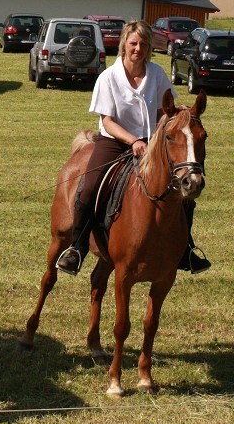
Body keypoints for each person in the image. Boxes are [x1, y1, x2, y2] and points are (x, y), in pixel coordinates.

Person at [56, 19, 211, 276]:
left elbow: (165, 112)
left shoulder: (158, 74)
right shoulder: (108, 77)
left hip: (152, 145)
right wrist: (133, 141)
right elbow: (107, 120)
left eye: (144, 44)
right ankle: (77, 247)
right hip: (114, 142)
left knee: (182, 192)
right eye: (134, 43)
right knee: (90, 186)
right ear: (124, 45)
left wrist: (179, 118)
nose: (138, 49)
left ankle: (185, 250)